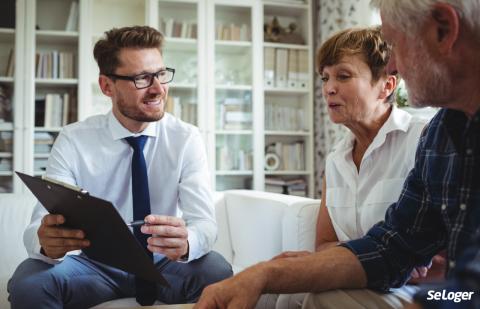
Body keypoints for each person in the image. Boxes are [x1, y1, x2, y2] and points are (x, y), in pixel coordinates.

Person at [194, 0, 480, 308]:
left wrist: (426, 301)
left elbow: (457, 286)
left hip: (444, 292)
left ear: (444, 29)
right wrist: (267, 273)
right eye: (325, 78)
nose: (393, 63)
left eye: (396, 44)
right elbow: (392, 249)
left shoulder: (420, 134)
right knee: (297, 293)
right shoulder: (441, 135)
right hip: (435, 289)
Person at [8, 25, 232, 308]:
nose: (158, 89)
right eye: (141, 78)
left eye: (161, 74)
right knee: (29, 283)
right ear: (107, 86)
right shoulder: (74, 139)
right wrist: (45, 242)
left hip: (166, 265)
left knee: (217, 272)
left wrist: (188, 241)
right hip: (94, 267)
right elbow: (38, 226)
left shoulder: (186, 138)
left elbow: (205, 224)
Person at [259, 26, 442, 309]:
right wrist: (339, 264)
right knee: (273, 294)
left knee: (318, 297)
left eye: (343, 76)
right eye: (325, 77)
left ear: (387, 86)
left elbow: (440, 263)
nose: (329, 88)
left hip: (420, 291)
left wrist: (342, 263)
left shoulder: (425, 139)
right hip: (359, 281)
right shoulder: (335, 160)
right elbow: (324, 244)